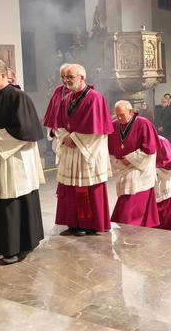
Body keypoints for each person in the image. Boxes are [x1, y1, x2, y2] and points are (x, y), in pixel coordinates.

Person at [0, 58, 45, 264]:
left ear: (4, 75)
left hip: (15, 159)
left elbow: (25, 130)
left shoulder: (19, 97)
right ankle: (0, 245)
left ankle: (16, 247)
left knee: (13, 201)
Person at [55, 63, 114, 236]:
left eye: (70, 77)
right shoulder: (66, 99)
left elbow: (97, 130)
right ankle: (73, 222)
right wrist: (65, 136)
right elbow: (58, 124)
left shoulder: (94, 97)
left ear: (82, 77)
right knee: (71, 188)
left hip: (87, 151)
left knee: (87, 188)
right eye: (63, 78)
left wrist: (73, 139)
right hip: (71, 149)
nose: (66, 81)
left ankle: (89, 224)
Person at [108, 101, 160, 228]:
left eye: (122, 115)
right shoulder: (115, 125)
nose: (119, 118)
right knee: (125, 187)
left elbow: (150, 149)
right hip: (124, 166)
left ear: (131, 112)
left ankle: (128, 222)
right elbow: (110, 147)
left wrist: (130, 159)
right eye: (117, 115)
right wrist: (119, 161)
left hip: (141, 167)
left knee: (131, 192)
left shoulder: (143, 123)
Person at [42, 64, 70, 161]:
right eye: (62, 77)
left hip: (77, 139)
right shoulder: (58, 90)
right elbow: (52, 113)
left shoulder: (85, 92)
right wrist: (54, 130)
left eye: (68, 76)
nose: (65, 80)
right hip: (60, 135)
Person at [154, 135, 171, 230]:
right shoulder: (140, 141)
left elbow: (170, 163)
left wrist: (154, 169)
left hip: (163, 180)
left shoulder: (162, 141)